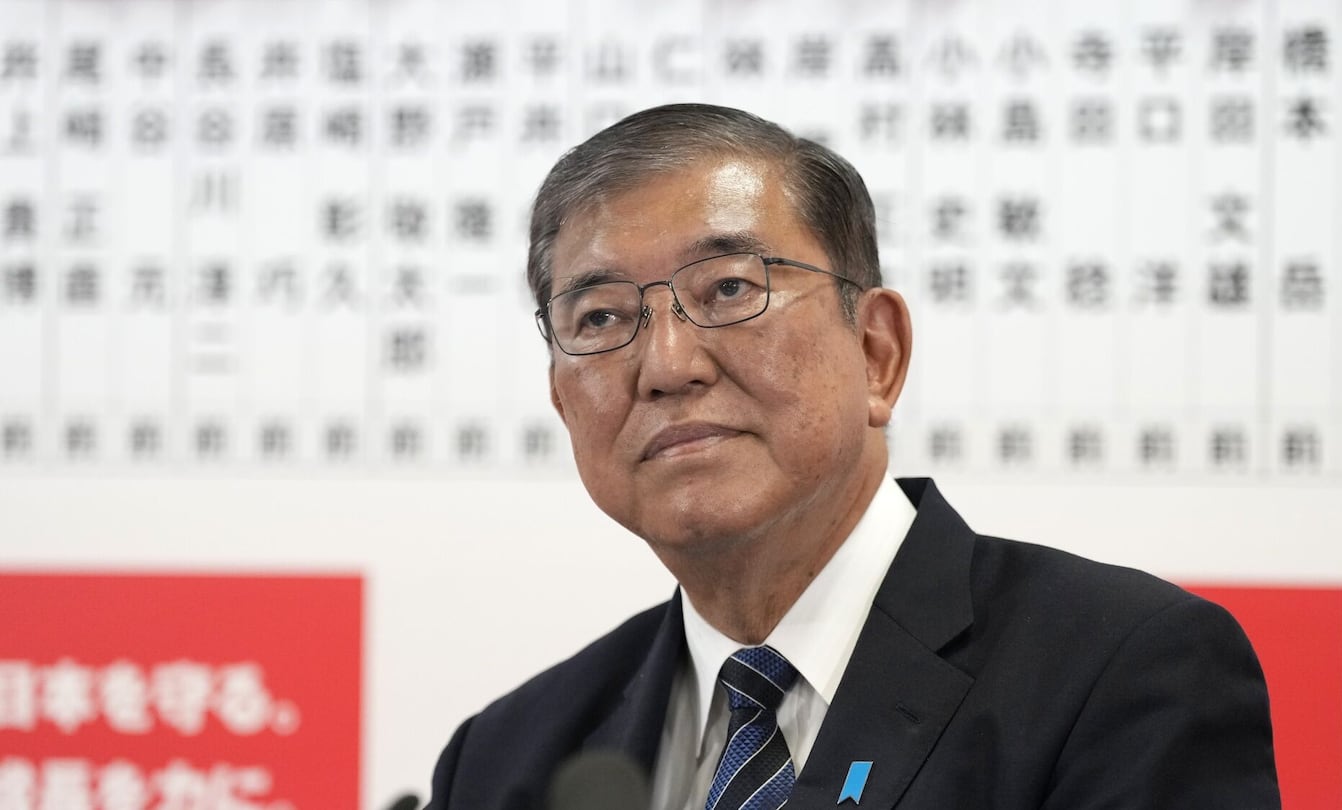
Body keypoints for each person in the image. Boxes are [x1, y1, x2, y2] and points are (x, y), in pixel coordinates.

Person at [426, 104, 1279, 809]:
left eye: (729, 289)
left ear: (877, 353)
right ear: (561, 398)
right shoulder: (506, 760)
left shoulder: (1123, 675)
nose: (667, 366)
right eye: (602, 318)